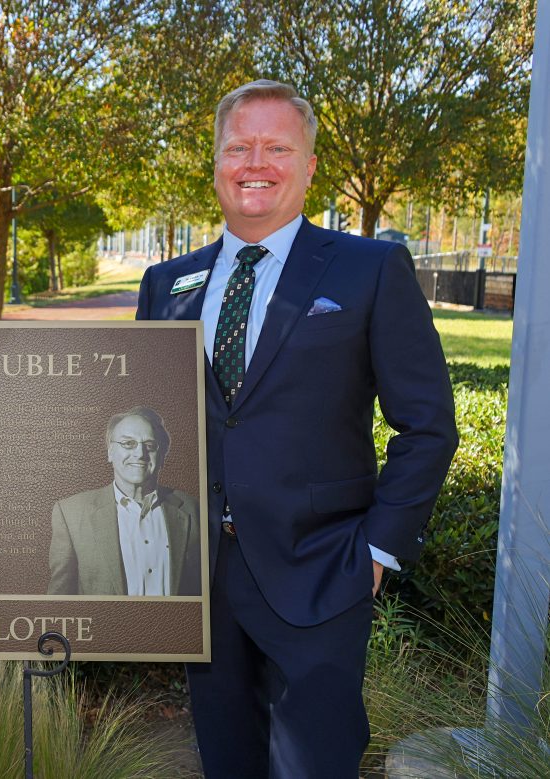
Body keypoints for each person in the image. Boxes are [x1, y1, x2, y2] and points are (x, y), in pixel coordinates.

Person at [136, 80, 458, 778]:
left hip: (323, 573)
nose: (256, 161)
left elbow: (428, 424)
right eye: (238, 146)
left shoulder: (370, 269)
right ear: (216, 163)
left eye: (277, 146)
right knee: (226, 762)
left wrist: (376, 550)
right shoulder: (167, 283)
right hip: (202, 585)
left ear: (308, 166)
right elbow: (143, 420)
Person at [47, 406, 201, 596]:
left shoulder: (194, 510)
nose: (140, 454)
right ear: (110, 452)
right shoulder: (71, 514)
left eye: (150, 445)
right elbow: (59, 601)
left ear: (161, 457)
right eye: (128, 444)